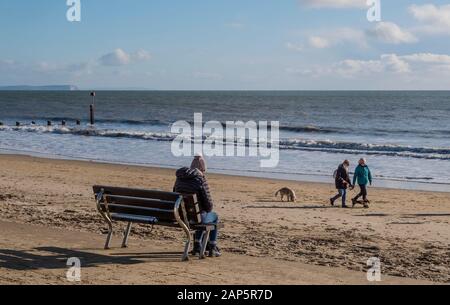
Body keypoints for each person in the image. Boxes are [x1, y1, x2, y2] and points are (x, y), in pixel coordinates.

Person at [173, 167, 221, 257]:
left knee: (198, 215)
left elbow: (174, 196)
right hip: (196, 217)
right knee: (213, 216)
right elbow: (209, 206)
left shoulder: (178, 179)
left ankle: (197, 246)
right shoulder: (199, 180)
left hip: (181, 217)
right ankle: (212, 247)